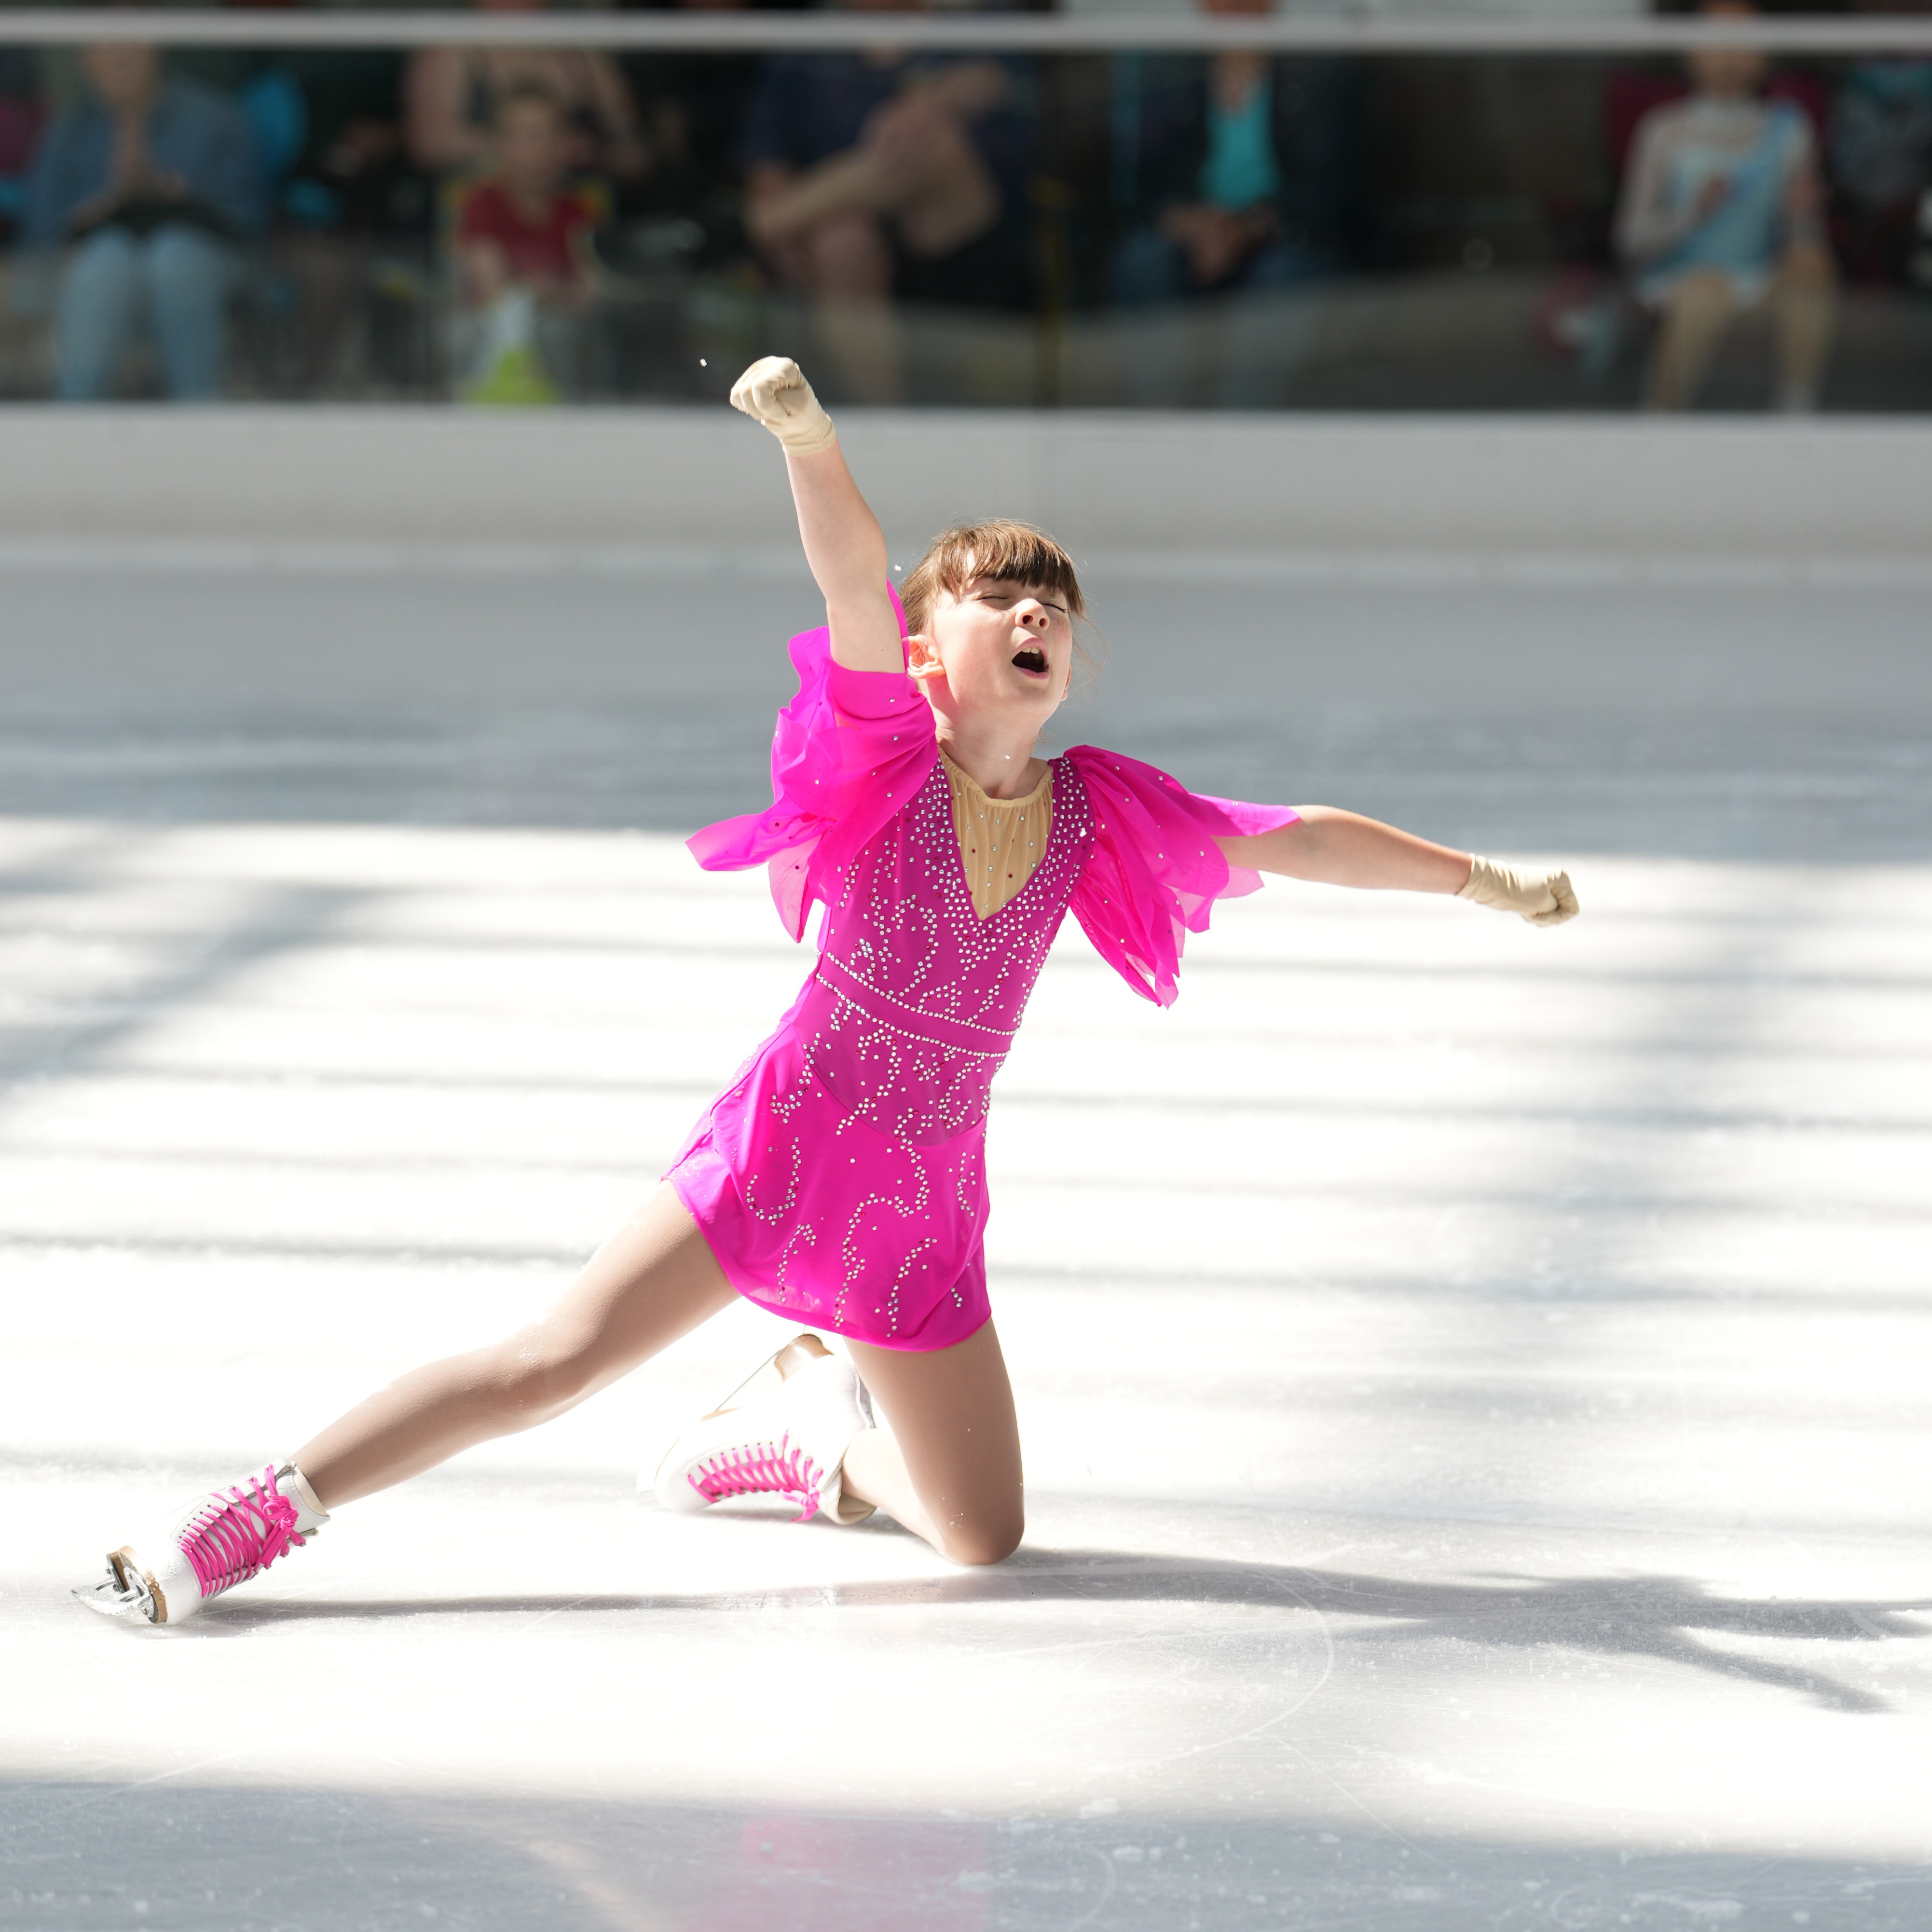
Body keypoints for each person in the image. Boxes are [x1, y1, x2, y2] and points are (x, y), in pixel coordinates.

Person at [77, 356, 1580, 1626]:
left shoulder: (1091, 808)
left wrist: (1474, 878)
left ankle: (812, 1446)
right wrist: (809, 441)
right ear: (926, 656)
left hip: (928, 1192)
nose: (1035, 616)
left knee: (982, 1535)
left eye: (1052, 605)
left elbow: (1290, 834)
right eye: (999, 598)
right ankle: (248, 1521)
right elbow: (853, 582)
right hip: (792, 1142)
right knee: (552, 1364)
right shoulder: (885, 760)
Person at [739, 0, 1034, 404]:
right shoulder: (805, 51)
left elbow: (994, 82)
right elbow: (767, 168)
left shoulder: (973, 25)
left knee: (926, 141)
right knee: (842, 240)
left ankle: (761, 225)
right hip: (839, 247)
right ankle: (882, 417)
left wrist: (928, 103)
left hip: (962, 232)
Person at [1614, 0, 1836, 411]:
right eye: (1716, 42)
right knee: (1706, 292)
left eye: (1744, 42)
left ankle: (1795, 408)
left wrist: (1801, 212)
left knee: (1811, 265)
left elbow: (1803, 236)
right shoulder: (1664, 130)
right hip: (1681, 281)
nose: (1730, 56)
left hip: (1755, 278)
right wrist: (1692, 212)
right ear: (1689, 50)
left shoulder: (1788, 129)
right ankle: (1662, 416)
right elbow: (1630, 239)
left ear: (1764, 52)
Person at [22, 43, 269, 402]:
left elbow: (250, 222)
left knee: (174, 258)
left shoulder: (215, 118)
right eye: (106, 46)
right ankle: (78, 419)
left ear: (157, 47)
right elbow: (39, 236)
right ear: (85, 59)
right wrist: (97, 211)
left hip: (200, 262)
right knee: (106, 261)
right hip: (97, 268)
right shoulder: (68, 131)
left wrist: (180, 200)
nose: (120, 55)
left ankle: (199, 418)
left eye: (131, 42)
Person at [454, 84, 602, 402]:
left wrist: (549, 292)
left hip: (560, 333)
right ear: (500, 144)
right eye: (526, 136)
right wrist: (545, 290)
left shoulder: (577, 211)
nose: (539, 148)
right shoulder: (482, 205)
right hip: (493, 336)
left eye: (549, 136)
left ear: (566, 144)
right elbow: (492, 290)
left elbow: (590, 291)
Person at [405, 0, 647, 185]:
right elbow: (432, 145)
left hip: (580, 212)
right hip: (481, 219)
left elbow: (634, 151)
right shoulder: (450, 53)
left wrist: (593, 154)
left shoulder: (584, 55)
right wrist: (525, 150)